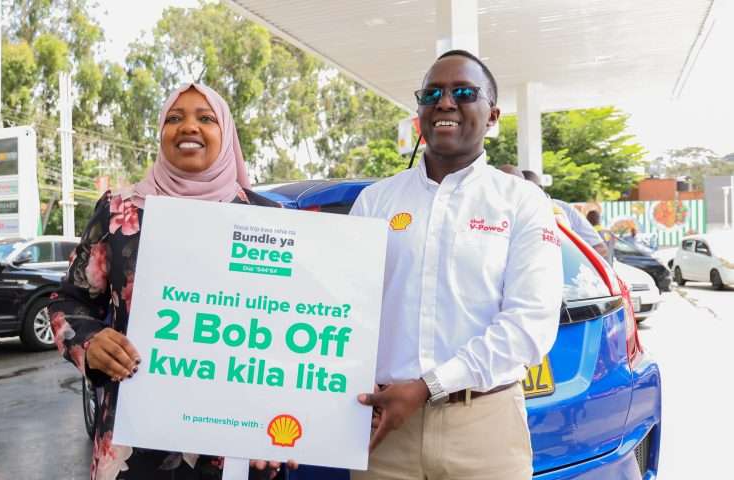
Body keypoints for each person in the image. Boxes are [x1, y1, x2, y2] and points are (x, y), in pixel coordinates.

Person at [48, 84, 290, 480]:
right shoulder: (119, 211)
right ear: (161, 131)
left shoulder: (269, 219)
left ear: (226, 133)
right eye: (174, 118)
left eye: (205, 117)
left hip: (239, 445)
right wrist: (89, 342)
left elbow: (297, 328)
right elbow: (67, 302)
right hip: (135, 446)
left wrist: (297, 421)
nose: (188, 127)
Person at [349, 50, 562, 480]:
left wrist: (428, 387)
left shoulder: (521, 202)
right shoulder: (376, 201)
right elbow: (345, 308)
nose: (445, 103)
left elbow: (529, 325)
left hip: (484, 427)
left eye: (463, 92)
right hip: (383, 431)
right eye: (432, 94)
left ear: (493, 115)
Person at [522, 169, 610, 260]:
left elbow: (600, 248)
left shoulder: (563, 209)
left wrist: (572, 263)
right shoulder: (515, 212)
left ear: (540, 188)